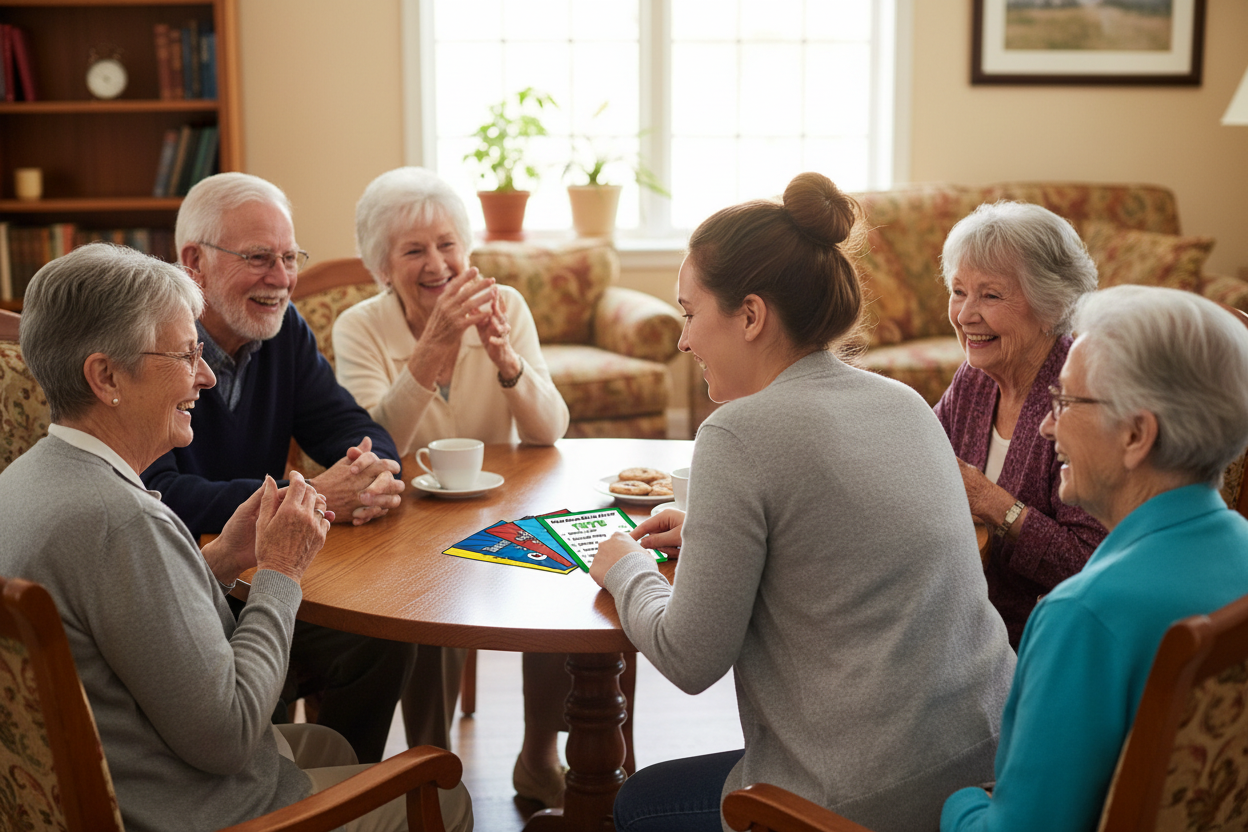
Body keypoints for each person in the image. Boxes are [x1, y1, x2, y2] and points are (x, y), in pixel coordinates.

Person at [590, 172, 1016, 832]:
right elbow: (838, 532)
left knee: (641, 804)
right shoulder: (903, 401)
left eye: (688, 312)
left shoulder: (736, 433)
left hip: (860, 802)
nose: (683, 340)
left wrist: (624, 568)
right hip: (992, 763)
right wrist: (713, 529)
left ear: (751, 315)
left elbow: (689, 657)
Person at [0, 243, 472, 832]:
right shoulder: (122, 521)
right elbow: (228, 737)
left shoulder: (21, 483)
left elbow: (134, 625)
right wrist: (279, 571)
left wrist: (223, 557)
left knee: (328, 744)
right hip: (195, 812)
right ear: (105, 376)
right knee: (444, 789)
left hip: (124, 782)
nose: (203, 375)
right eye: (184, 354)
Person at [941, 284, 1248, 832]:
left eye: (1065, 402)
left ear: (1136, 434)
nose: (1045, 425)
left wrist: (955, 802)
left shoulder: (1083, 616)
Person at [141, 172, 413, 764]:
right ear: (194, 262)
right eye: (261, 258)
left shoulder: (282, 328)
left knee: (382, 640)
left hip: (267, 566)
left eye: (290, 257)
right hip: (189, 584)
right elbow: (154, 492)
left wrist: (371, 468)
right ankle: (264, 788)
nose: (284, 278)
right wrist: (309, 496)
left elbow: (348, 424)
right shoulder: (153, 344)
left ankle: (346, 788)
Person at [335, 166, 571, 807]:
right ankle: (431, 764)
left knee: (561, 586)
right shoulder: (359, 328)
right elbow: (371, 446)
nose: (437, 263)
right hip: (405, 517)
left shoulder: (507, 308)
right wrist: (433, 347)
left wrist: (506, 361)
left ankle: (540, 756)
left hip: (503, 505)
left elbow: (551, 430)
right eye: (414, 250)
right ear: (382, 266)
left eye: (448, 245)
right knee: (428, 593)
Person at [934, 201, 1107, 647]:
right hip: (961, 614)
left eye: (990, 295)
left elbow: (1088, 564)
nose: (965, 314)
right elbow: (923, 458)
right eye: (958, 291)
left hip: (1040, 639)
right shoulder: (973, 379)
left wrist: (990, 500)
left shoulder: (1083, 396)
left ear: (1052, 304)